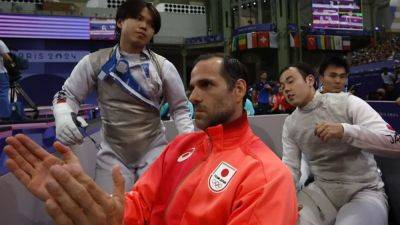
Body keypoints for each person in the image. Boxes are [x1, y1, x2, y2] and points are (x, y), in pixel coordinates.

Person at [4, 53, 298, 225]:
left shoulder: (267, 177)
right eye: (192, 86)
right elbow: (138, 206)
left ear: (239, 90)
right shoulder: (183, 147)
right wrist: (89, 201)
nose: (194, 96)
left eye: (206, 85)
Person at [52, 0, 193, 193]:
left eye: (151, 25)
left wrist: (189, 140)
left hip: (154, 149)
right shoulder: (95, 61)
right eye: (138, 18)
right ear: (120, 22)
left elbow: (180, 108)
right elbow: (67, 94)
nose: (144, 26)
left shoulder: (163, 66)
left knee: (156, 214)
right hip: (112, 153)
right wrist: (62, 114)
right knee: (110, 215)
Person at [279, 63, 400, 225]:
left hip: (364, 190)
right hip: (322, 191)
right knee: (284, 219)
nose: (286, 89)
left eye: (290, 81)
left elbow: (394, 144)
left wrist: (345, 131)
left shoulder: (347, 102)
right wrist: (287, 197)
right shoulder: (290, 124)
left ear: (309, 80)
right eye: (282, 86)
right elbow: (290, 167)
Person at [0, 39, 13, 120]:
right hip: (0, 73)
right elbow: (6, 56)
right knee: (3, 93)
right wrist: (13, 64)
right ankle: (5, 117)